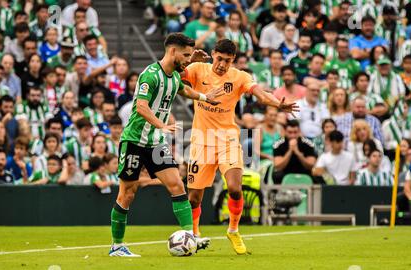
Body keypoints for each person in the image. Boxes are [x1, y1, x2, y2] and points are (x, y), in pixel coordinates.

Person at [108, 33, 224, 257]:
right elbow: (141, 106)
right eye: (186, 55)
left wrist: (204, 97)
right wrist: (161, 125)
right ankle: (117, 245)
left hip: (155, 143)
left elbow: (184, 89)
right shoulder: (150, 75)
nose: (189, 60)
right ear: (173, 51)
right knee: (127, 193)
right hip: (134, 140)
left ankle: (191, 237)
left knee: (177, 186)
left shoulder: (174, 77)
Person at [181, 38, 298, 255]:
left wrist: (277, 104)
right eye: (219, 59)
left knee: (234, 188)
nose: (222, 64)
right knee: (194, 198)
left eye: (227, 60)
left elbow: (259, 94)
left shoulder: (239, 77)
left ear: (233, 59)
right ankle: (194, 235)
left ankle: (233, 230)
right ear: (213, 54)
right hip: (201, 142)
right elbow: (171, 79)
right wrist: (185, 63)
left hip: (229, 140)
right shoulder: (197, 69)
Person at [273, 119, 317, 184]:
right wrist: (290, 151)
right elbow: (278, 166)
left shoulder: (308, 144)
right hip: (285, 172)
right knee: (276, 175)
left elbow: (310, 165)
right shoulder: (278, 144)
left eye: (295, 132)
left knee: (317, 177)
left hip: (303, 172)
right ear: (285, 131)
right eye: (290, 132)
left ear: (299, 131)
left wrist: (298, 153)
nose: (293, 135)